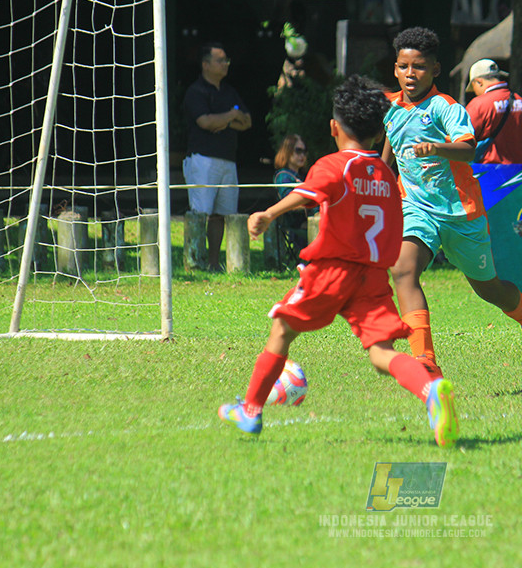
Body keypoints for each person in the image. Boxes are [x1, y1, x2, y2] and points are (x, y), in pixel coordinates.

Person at [218, 75, 460, 448]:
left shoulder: (334, 165)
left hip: (332, 270)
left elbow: (307, 193)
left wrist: (269, 213)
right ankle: (430, 391)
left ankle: (250, 410)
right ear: (379, 134)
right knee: (381, 354)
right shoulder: (385, 174)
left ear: (334, 127)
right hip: (372, 276)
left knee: (281, 329)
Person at [381, 27, 522, 379]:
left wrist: (436, 147)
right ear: (395, 69)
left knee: (490, 290)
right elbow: (389, 152)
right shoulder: (390, 108)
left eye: (419, 67)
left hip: (461, 212)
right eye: (404, 66)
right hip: (416, 208)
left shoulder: (446, 107)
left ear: (435, 69)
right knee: (403, 270)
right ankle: (425, 360)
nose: (411, 74)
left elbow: (468, 148)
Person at [182, 42, 252, 271]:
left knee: (222, 215)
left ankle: (213, 262)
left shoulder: (230, 91)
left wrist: (224, 121)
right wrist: (232, 115)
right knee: (200, 214)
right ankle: (194, 262)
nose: (225, 64)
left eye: (226, 60)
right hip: (202, 160)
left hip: (228, 160)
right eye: (220, 60)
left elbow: (247, 122)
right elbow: (205, 122)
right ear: (205, 64)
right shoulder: (196, 92)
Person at [464, 58, 522, 164]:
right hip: (519, 172)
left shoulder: (478, 105)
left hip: (488, 172)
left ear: (479, 82)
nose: (475, 93)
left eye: (473, 88)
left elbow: (462, 141)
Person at [272, 133, 311, 257]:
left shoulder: (303, 176)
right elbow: (288, 202)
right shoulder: (283, 176)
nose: (302, 155)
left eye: (304, 151)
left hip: (309, 220)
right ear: (287, 151)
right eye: (298, 151)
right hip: (295, 223)